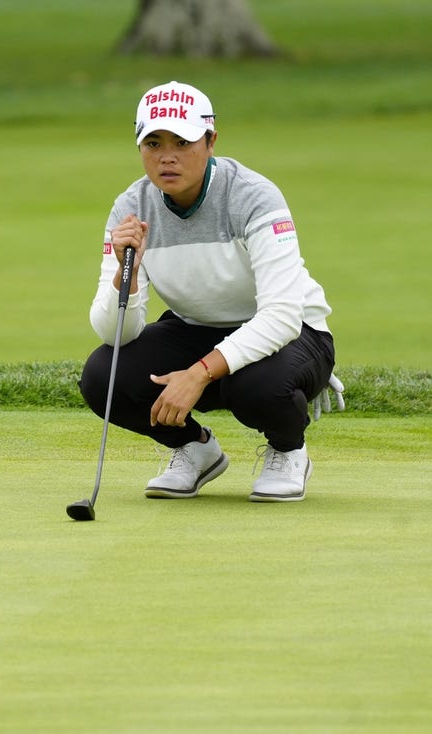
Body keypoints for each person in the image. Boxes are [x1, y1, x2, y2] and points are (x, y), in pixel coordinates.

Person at [79, 80, 337, 503]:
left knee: (256, 384)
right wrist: (127, 273)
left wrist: (199, 374)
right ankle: (195, 450)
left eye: (183, 141)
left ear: (211, 140)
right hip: (196, 328)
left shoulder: (253, 196)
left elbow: (282, 315)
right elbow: (115, 333)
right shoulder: (131, 208)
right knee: (103, 374)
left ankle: (288, 451)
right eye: (154, 143)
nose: (167, 156)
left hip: (293, 334)